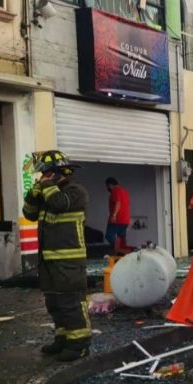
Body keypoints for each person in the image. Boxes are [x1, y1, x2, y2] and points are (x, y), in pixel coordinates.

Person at [22, 150, 91, 361]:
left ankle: (79, 344)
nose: (40, 178)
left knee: (71, 303)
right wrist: (32, 195)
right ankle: (62, 339)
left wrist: (46, 186)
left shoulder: (75, 191)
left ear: (54, 173)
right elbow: (29, 214)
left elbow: (61, 203)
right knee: (54, 303)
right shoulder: (47, 192)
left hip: (69, 261)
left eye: (43, 174)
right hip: (48, 261)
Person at [105, 177, 131, 251]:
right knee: (121, 237)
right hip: (125, 220)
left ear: (110, 185)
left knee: (109, 236)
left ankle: (118, 249)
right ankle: (123, 252)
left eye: (107, 186)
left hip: (117, 219)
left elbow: (118, 203)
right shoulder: (125, 191)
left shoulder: (115, 191)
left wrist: (114, 215)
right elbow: (127, 204)